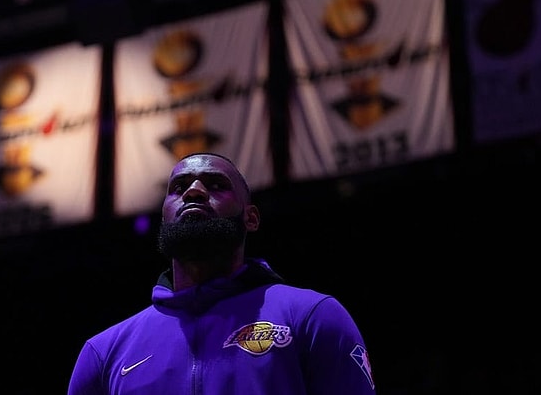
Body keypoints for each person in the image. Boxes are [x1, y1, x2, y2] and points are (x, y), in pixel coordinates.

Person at [67, 152, 377, 395]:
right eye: (178, 187)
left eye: (216, 185)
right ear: (164, 216)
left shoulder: (311, 316)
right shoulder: (104, 353)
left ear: (251, 218)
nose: (194, 191)